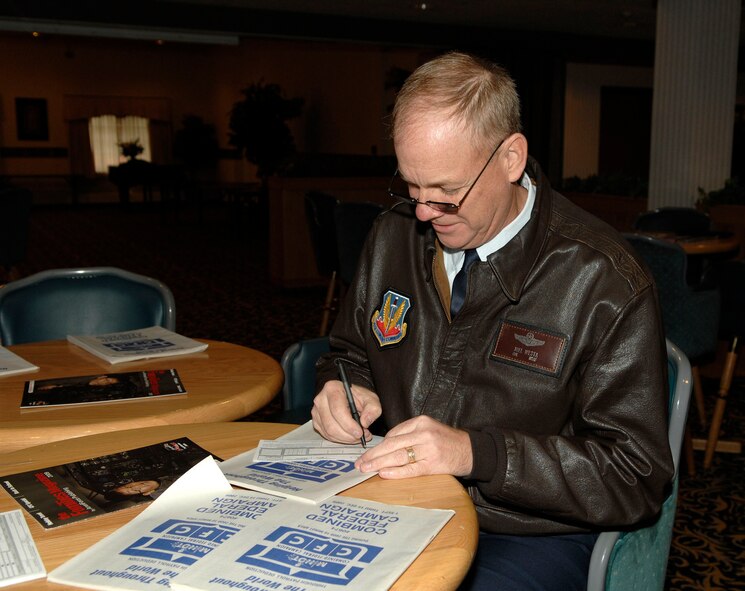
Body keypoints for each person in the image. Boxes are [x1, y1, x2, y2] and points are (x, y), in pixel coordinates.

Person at [311, 51, 674, 591]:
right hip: (395, 497)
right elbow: (349, 352)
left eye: (446, 193)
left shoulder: (605, 282)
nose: (424, 214)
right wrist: (345, 388)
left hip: (527, 531)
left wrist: (477, 453)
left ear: (512, 158)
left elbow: (634, 476)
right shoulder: (393, 238)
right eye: (411, 189)